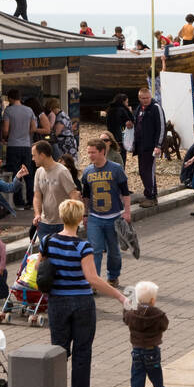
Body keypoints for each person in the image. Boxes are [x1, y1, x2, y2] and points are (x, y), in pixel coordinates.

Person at [43, 200, 127, 387]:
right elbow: (92, 279)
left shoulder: (47, 241)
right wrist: (119, 296)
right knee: (82, 354)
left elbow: (39, 267)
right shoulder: (83, 246)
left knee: (58, 353)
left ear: (62, 217)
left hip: (57, 302)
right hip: (82, 303)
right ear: (80, 219)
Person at [80, 138, 132, 284]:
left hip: (114, 216)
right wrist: (85, 214)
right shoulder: (87, 172)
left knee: (113, 251)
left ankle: (113, 276)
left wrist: (127, 212)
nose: (90, 155)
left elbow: (126, 193)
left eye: (93, 152)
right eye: (88, 152)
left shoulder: (116, 169)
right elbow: (85, 195)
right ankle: (94, 281)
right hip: (95, 218)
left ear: (103, 151)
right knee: (94, 250)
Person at [123, 280, 171, 387]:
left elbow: (125, 318)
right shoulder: (158, 314)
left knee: (137, 376)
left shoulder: (132, 313)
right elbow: (164, 325)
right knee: (156, 376)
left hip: (137, 350)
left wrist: (128, 303)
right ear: (152, 300)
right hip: (152, 350)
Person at [32, 139, 79, 241]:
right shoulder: (39, 172)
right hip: (44, 224)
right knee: (46, 255)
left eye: (34, 155)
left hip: (62, 224)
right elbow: (37, 196)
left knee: (62, 255)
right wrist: (37, 214)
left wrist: (71, 220)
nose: (32, 158)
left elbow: (74, 195)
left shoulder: (62, 171)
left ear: (42, 155)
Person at [1, 89, 37, 208]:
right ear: (20, 98)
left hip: (13, 146)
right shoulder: (29, 110)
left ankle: (19, 202)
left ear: (10, 99)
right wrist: (25, 134)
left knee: (17, 175)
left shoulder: (8, 111)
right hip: (26, 146)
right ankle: (31, 201)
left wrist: (7, 137)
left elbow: (5, 130)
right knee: (28, 174)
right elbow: (33, 128)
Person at [105, 92, 134, 167]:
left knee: (110, 156)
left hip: (109, 136)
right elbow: (131, 121)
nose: (127, 104)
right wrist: (129, 111)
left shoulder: (110, 109)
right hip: (119, 138)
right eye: (127, 102)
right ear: (123, 101)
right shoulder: (122, 109)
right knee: (121, 158)